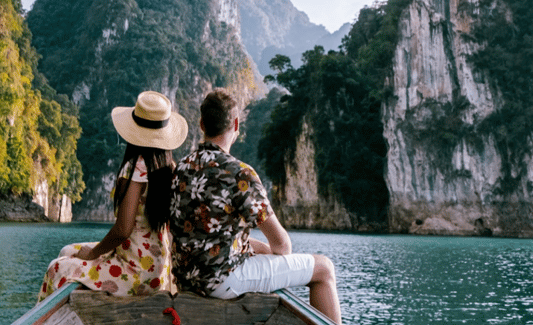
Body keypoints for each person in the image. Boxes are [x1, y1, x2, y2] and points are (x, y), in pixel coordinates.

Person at [169, 89, 342, 323]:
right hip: (221, 282)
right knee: (324, 269)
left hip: (185, 280)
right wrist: (267, 250)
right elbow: (282, 245)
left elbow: (206, 235)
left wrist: (253, 247)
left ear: (201, 124)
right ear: (236, 124)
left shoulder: (180, 169)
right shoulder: (239, 174)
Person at [40, 90, 188, 299]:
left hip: (135, 271)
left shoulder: (135, 168)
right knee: (67, 251)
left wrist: (93, 253)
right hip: (158, 270)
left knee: (56, 268)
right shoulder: (169, 168)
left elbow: (123, 229)